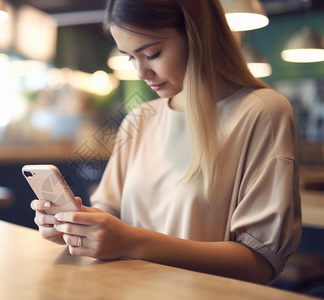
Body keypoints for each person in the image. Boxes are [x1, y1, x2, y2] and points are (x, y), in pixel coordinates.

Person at [30, 0, 301, 284]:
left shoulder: (263, 112)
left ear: (198, 35)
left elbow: (259, 262)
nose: (140, 72)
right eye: (130, 58)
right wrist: (76, 226)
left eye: (152, 53)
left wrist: (131, 242)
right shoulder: (139, 118)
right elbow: (110, 213)